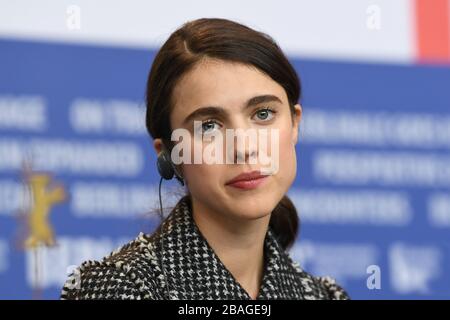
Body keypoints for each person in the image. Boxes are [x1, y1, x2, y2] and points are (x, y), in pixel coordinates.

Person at [61, 17, 350, 300]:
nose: (244, 148)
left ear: (295, 122)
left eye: (263, 114)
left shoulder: (325, 295)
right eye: (209, 126)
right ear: (171, 154)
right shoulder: (119, 288)